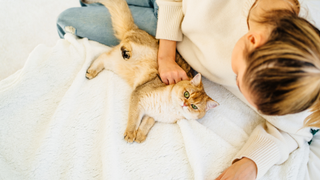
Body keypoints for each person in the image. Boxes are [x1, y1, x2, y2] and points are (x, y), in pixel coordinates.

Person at [57, 0, 320, 179]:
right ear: (253, 40)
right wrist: (165, 57)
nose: (236, 84)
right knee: (70, 20)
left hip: (170, 29)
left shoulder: (301, 82)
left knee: (69, 19)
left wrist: (250, 164)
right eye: (239, 76)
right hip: (173, 19)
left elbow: (294, 132)